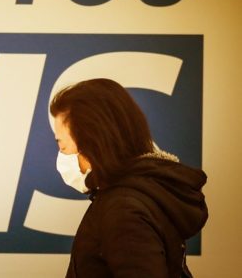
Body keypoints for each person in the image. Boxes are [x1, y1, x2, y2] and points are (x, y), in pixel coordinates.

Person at [50, 78, 208, 278]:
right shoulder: (143, 192)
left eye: (62, 146)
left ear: (92, 143)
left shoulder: (124, 210)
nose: (61, 156)